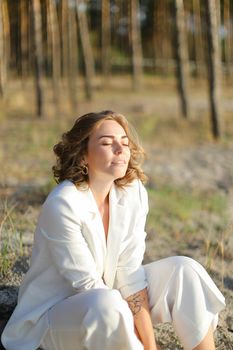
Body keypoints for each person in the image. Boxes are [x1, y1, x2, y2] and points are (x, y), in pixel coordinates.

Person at [1, 110, 225, 350]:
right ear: (83, 156)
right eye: (107, 143)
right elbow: (88, 286)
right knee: (107, 303)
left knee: (184, 270)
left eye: (124, 143)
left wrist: (151, 345)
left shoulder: (132, 192)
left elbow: (129, 273)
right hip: (56, 318)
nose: (120, 149)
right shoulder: (63, 204)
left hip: (109, 299)